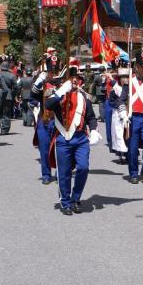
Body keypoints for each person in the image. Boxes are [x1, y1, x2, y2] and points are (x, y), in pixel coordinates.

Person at [45, 68, 101, 215]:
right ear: (65, 80)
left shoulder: (84, 97)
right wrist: (61, 91)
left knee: (83, 168)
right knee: (64, 172)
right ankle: (65, 202)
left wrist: (93, 130)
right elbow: (48, 105)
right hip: (63, 138)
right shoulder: (58, 95)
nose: (75, 80)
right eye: (71, 77)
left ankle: (76, 198)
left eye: (76, 77)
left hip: (81, 138)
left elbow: (91, 117)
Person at [122, 65, 143, 184]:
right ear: (137, 68)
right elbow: (121, 100)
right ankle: (133, 174)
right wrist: (123, 114)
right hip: (133, 118)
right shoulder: (129, 83)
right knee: (132, 148)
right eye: (142, 67)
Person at [31, 69, 61, 184]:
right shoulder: (42, 85)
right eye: (50, 72)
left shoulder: (62, 85)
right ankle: (46, 174)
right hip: (44, 120)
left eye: (54, 72)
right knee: (44, 149)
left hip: (58, 122)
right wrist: (39, 80)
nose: (52, 74)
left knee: (59, 149)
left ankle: (60, 172)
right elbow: (32, 94)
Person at [109, 68, 129, 163]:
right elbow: (111, 102)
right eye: (122, 77)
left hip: (128, 112)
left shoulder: (130, 88)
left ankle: (129, 154)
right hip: (117, 113)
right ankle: (120, 155)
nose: (125, 79)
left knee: (128, 133)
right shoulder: (115, 89)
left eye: (126, 77)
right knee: (118, 133)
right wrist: (118, 106)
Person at [0, 61, 17, 135]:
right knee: (6, 113)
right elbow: (16, 87)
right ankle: (5, 130)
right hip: (8, 95)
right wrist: (13, 95)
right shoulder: (12, 76)